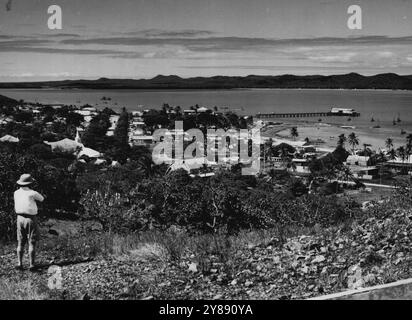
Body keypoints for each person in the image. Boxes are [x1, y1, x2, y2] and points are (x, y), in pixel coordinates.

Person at [14, 174, 44, 271]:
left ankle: (19, 263)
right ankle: (31, 265)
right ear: (30, 183)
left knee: (21, 242)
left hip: (19, 218)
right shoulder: (32, 193)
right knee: (32, 241)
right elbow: (42, 199)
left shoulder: (16, 193)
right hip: (30, 218)